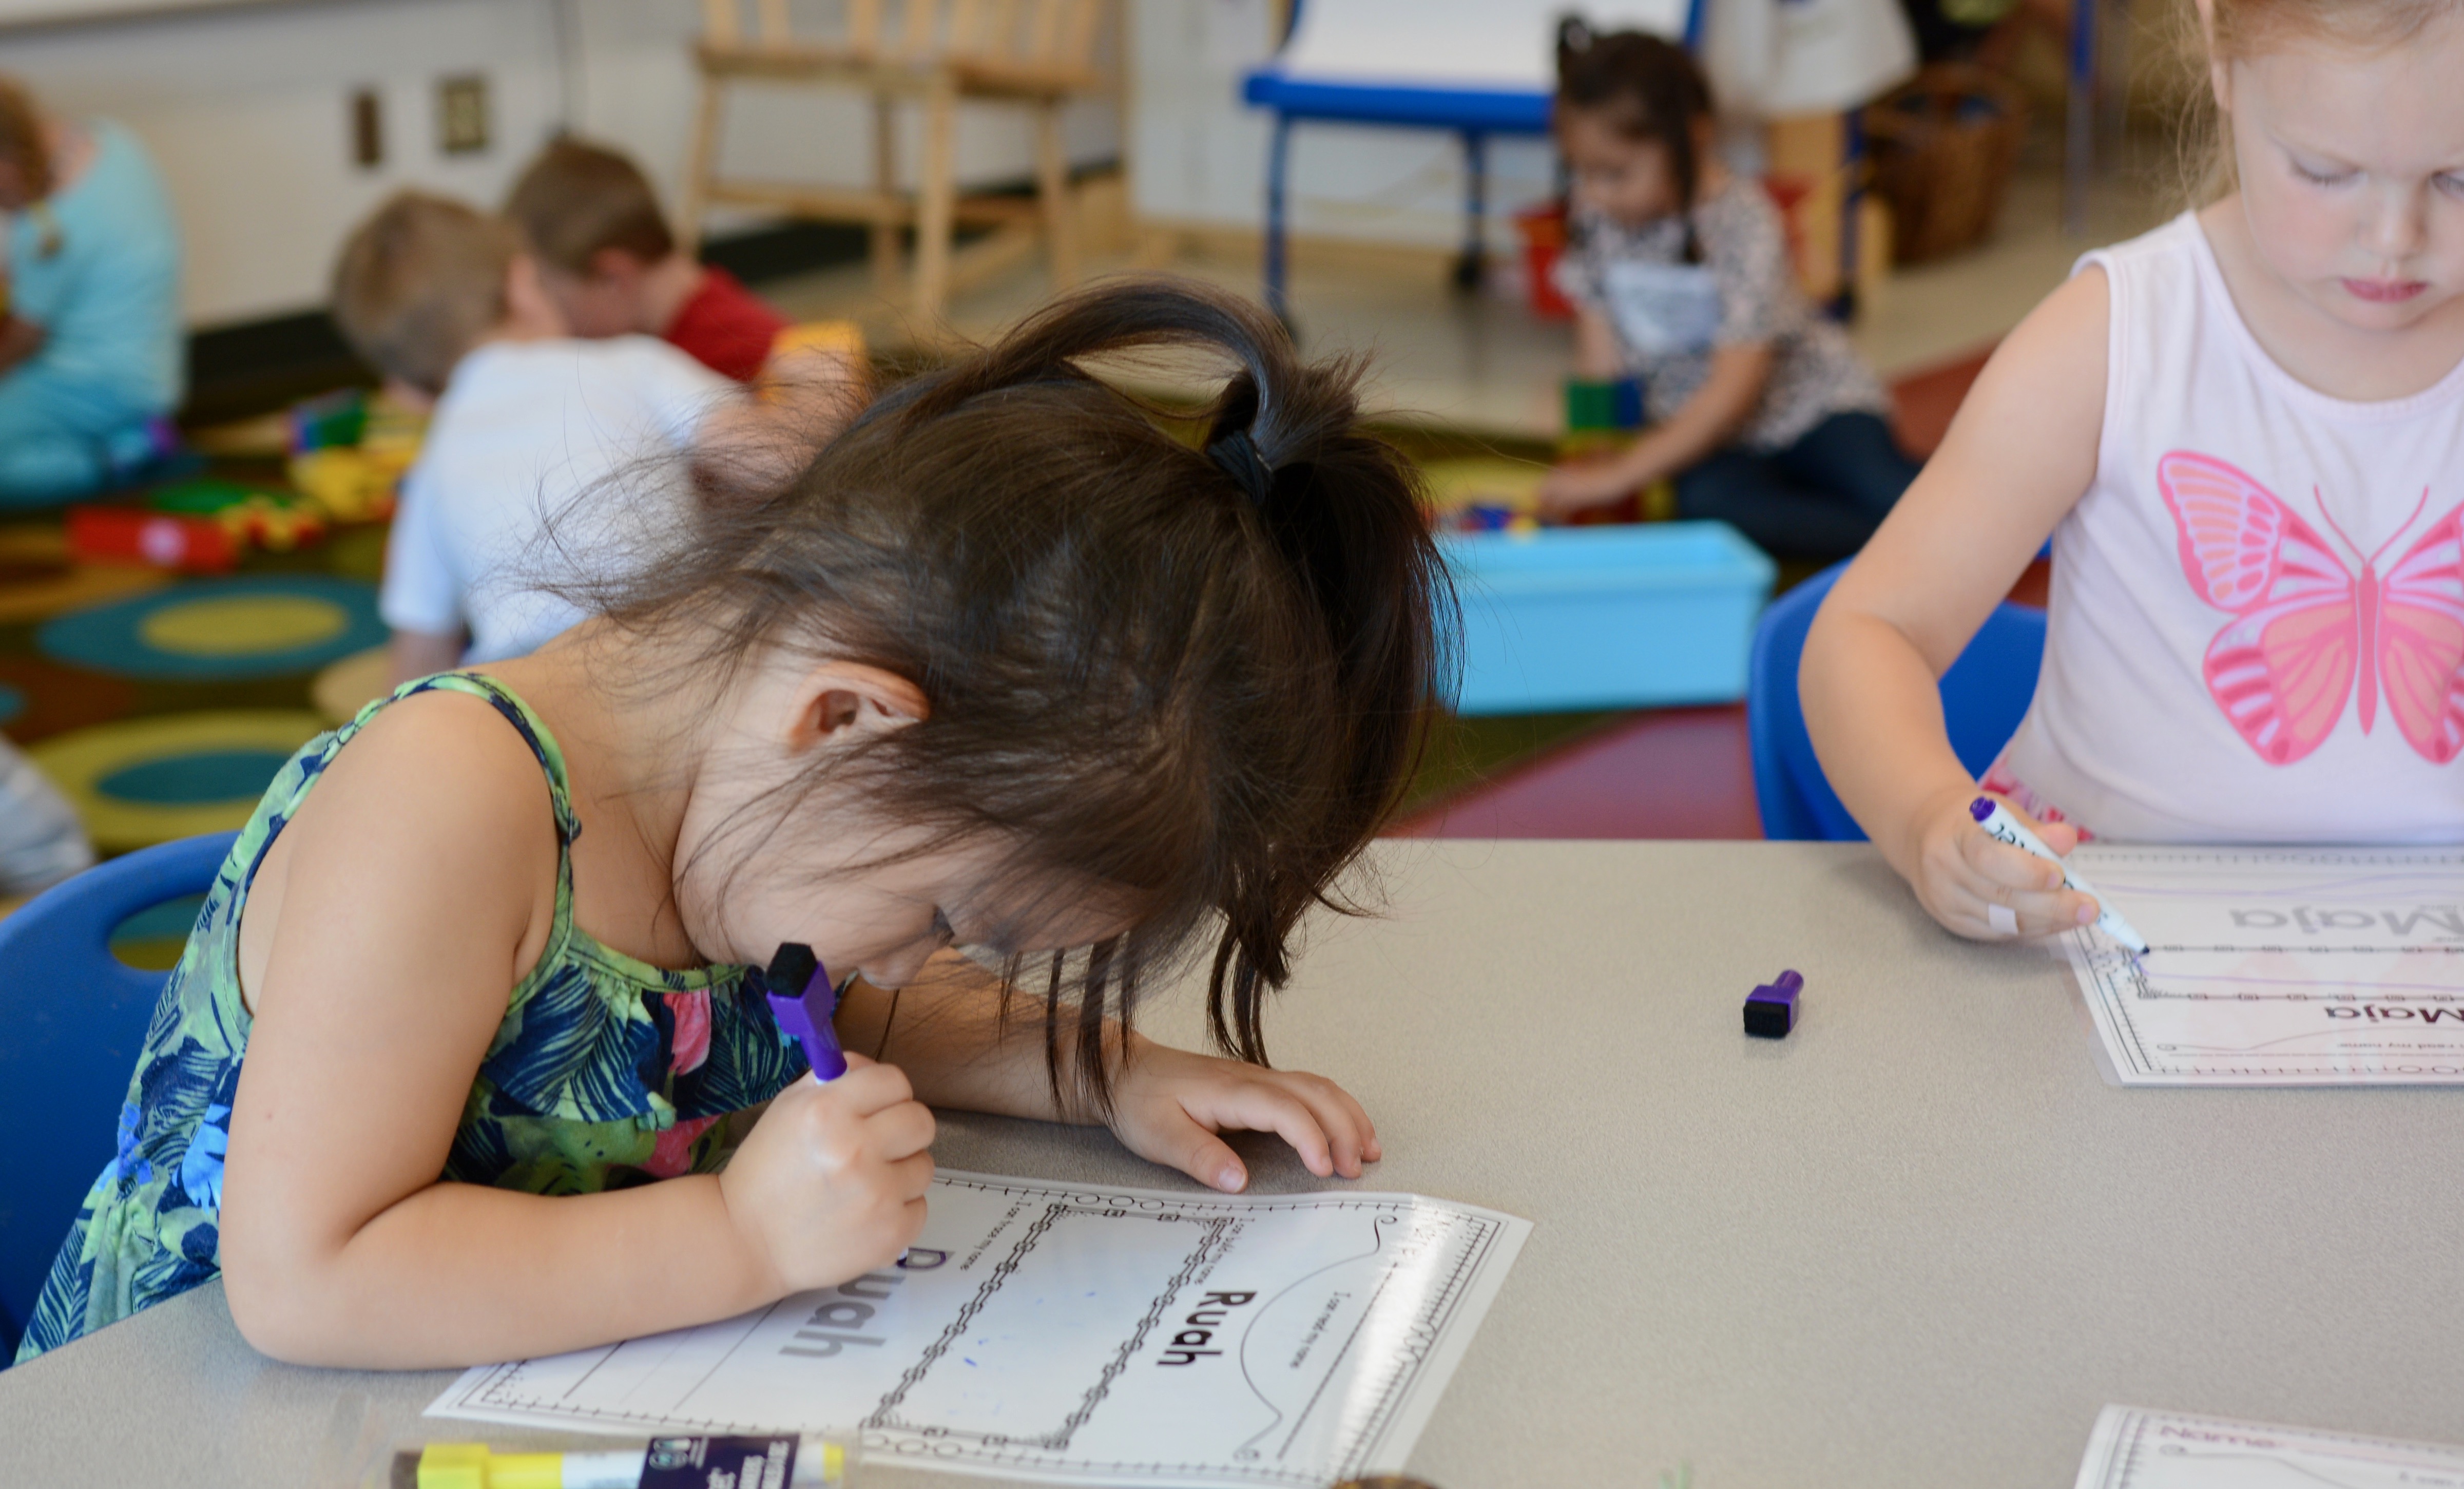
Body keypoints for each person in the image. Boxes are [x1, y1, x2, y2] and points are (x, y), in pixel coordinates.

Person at [13, 277, 1450, 1368]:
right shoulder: (451, 806)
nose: (922, 956)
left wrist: (1101, 1069)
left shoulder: (755, 808)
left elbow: (847, 1004)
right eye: (952, 915)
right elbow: (307, 1279)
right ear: (846, 721)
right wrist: (737, 1235)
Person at [1802, 0, 2464, 940]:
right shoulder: (2116, 339)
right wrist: (1926, 820)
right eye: (2326, 171)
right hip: (2108, 939)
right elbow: (1868, 631)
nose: (2396, 237)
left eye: (2460, 178)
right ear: (2220, 56)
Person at [332, 192, 864, 685]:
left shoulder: (433, 466)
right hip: (675, 657)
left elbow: (419, 657)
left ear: (410, 392)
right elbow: (784, 459)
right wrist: (820, 384)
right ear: (524, 284)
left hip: (529, 694)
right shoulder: (633, 361)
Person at [1535, 26, 1918, 561]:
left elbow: (1733, 392)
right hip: (1706, 436)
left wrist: (1623, 473)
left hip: (1815, 408)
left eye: (1615, 173)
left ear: (1692, 137)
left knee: (1885, 487)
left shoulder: (1744, 224)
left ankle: (1939, 525)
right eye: (1583, 171)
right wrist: (1593, 459)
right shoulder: (1597, 215)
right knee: (1712, 512)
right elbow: (1598, 357)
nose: (1595, 192)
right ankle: (1903, 543)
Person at [0, 75, 182, 509]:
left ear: (7, 166)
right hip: (151, 369)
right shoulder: (110, 139)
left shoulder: (52, 234)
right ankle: (131, 436)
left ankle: (108, 459)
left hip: (101, 383)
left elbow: (21, 341)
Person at [505, 138, 791, 383]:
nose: (553, 329)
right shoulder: (679, 335)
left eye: (558, 306)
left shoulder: (729, 365)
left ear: (612, 278)